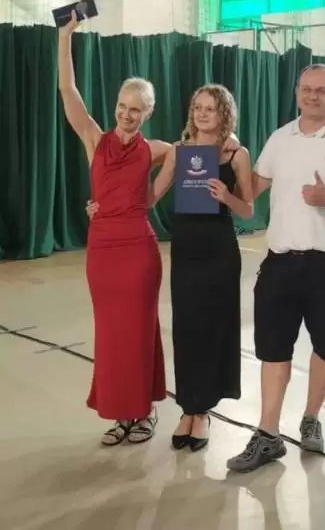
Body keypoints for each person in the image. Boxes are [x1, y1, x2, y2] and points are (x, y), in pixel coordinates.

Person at [226, 64, 325, 473]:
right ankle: (268, 434)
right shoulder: (280, 138)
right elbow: (252, 188)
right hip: (279, 261)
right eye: (306, 89)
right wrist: (226, 162)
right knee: (273, 348)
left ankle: (311, 416)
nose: (312, 96)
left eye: (321, 90)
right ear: (296, 94)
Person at [86, 85, 250, 453]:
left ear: (224, 114)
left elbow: (248, 209)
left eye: (210, 108)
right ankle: (188, 408)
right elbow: (146, 198)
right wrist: (102, 204)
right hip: (185, 250)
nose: (203, 114)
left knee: (213, 329)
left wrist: (226, 196)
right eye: (198, 107)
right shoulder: (180, 151)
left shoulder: (235, 153)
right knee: (187, 332)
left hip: (219, 251)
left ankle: (203, 412)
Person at [58, 11, 171, 446]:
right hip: (102, 252)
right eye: (122, 107)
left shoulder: (155, 149)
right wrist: (65, 35)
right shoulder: (94, 139)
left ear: (147, 112)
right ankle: (121, 413)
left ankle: (144, 410)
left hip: (138, 251)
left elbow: (186, 154)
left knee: (139, 332)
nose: (126, 114)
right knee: (110, 336)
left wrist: (151, 197)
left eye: (135, 109)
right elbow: (68, 90)